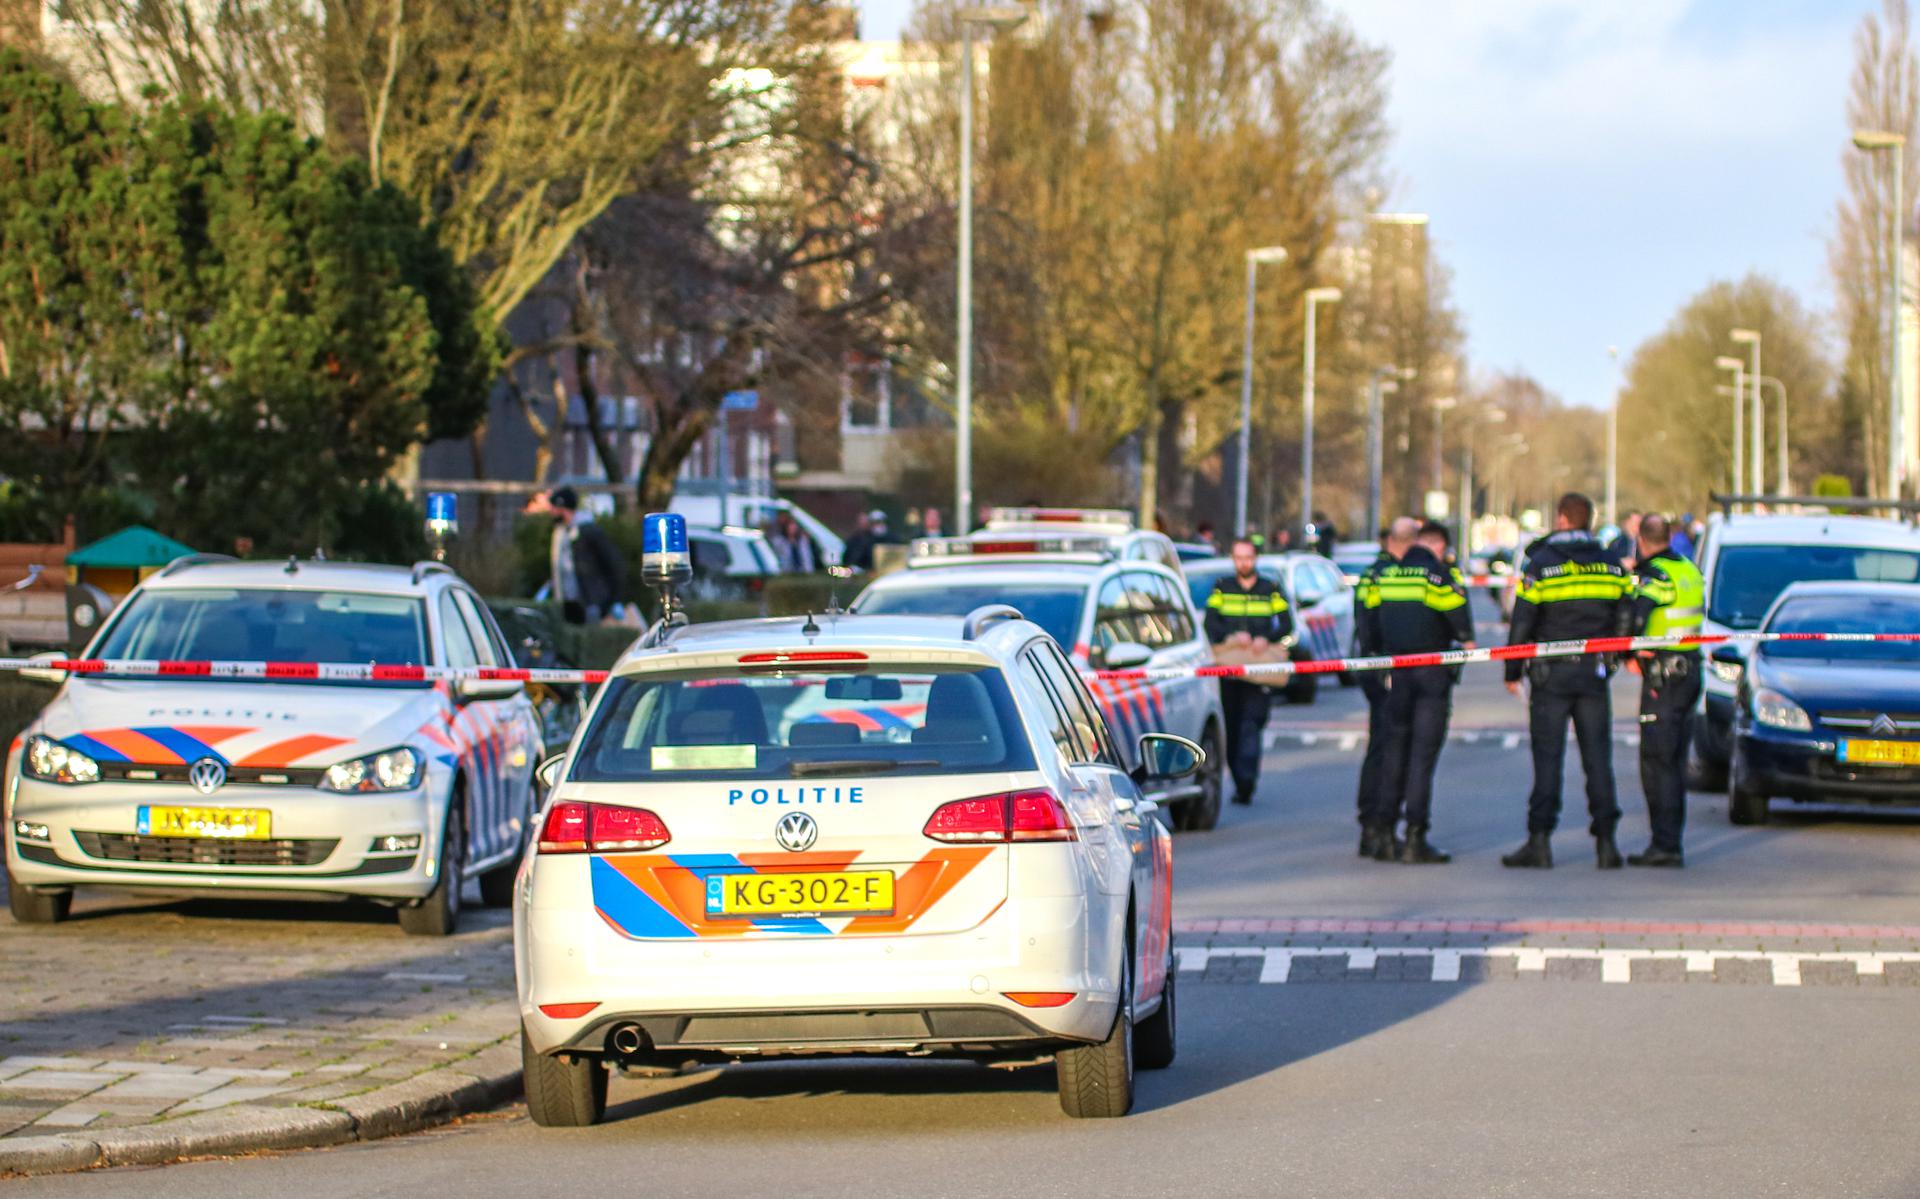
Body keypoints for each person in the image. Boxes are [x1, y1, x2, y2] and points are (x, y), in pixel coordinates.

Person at [1501, 492, 1635, 869]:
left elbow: (1522, 620)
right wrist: (1617, 658)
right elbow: (1626, 614)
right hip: (1593, 674)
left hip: (1550, 674)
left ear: (1561, 519)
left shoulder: (1541, 563)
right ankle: (1607, 844)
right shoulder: (1611, 563)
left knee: (1548, 760)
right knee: (1598, 760)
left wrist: (1512, 671)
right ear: (1588, 521)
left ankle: (1539, 842)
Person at [1361, 519, 1474, 863]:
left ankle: (1382, 831)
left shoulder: (1386, 576)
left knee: (1394, 751)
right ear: (1433, 546)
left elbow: (1369, 621)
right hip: (1431, 676)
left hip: (1396, 673)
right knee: (1422, 757)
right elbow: (1463, 626)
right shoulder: (1437, 577)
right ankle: (1415, 836)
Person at [1624, 513, 1705, 867]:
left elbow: (1635, 616)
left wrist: (1627, 650)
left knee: (1658, 761)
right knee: (1674, 759)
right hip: (1689, 671)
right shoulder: (1688, 568)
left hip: (1664, 675)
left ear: (1641, 540)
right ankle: (1670, 840)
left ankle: (1665, 845)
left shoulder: (1653, 573)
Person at [1204, 537, 1293, 805]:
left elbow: (1286, 624)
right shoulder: (1222, 588)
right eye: (1238, 558)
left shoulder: (1270, 589)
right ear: (1233, 559)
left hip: (1259, 669)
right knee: (1232, 726)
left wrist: (1266, 637)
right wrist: (1232, 635)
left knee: (1251, 725)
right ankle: (1240, 776)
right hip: (1231, 671)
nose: (1243, 563)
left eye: (1248, 557)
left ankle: (1247, 780)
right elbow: (1211, 625)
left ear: (1256, 559)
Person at [1351, 524, 1400, 857]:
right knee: (1388, 748)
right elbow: (1373, 624)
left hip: (1374, 667)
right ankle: (1379, 824)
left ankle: (1371, 823)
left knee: (1378, 746)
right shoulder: (1392, 575)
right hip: (1387, 669)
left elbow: (1362, 622)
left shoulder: (1370, 575)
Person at [539, 486, 623, 625]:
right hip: (567, 602)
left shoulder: (588, 531)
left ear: (562, 507)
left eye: (553, 507)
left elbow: (612, 563)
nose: (551, 512)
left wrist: (611, 600)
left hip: (589, 602)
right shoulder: (560, 533)